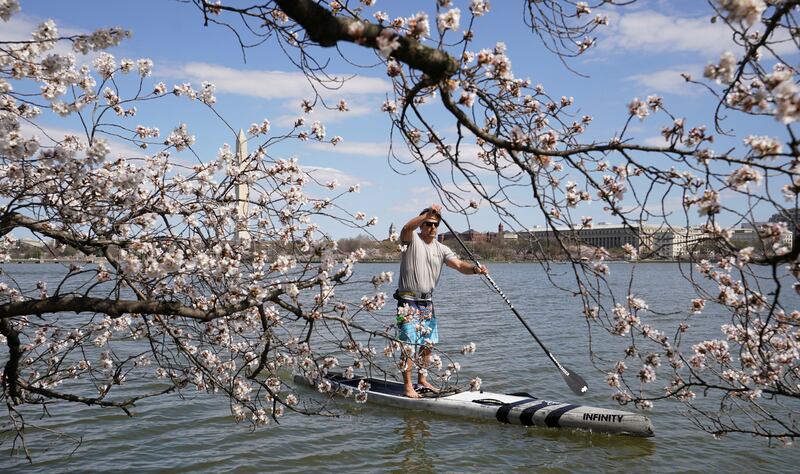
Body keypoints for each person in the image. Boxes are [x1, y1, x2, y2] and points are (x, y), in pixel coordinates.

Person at [394, 204, 488, 398]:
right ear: (421, 225)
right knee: (409, 344)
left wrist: (475, 269)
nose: (432, 228)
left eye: (435, 224)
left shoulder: (442, 248)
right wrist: (426, 214)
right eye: (428, 223)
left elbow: (460, 265)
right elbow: (406, 228)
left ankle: (422, 380)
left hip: (427, 301)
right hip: (408, 301)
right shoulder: (410, 241)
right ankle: (408, 386)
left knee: (427, 344)